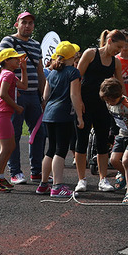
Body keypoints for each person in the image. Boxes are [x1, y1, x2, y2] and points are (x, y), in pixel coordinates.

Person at [73, 29, 126, 192]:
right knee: (81, 142)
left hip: (104, 107)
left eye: (122, 48)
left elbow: (120, 86)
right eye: (118, 47)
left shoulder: (115, 62)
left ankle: (103, 179)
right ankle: (81, 179)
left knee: (102, 143)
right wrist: (78, 101)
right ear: (109, 41)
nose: (119, 51)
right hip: (85, 104)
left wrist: (123, 103)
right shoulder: (90, 54)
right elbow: (76, 78)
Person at [0, 11, 46, 186]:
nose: (27, 26)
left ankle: (37, 171)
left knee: (39, 132)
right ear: (16, 24)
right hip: (15, 94)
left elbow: (40, 72)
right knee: (14, 134)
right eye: (24, 22)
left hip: (33, 94)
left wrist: (44, 95)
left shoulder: (35, 44)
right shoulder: (8, 41)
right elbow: (1, 66)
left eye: (30, 23)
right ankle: (15, 172)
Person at [37, 41, 84, 198]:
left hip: (49, 114)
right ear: (73, 57)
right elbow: (74, 95)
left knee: (51, 149)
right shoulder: (73, 73)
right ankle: (57, 186)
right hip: (63, 115)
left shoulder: (52, 73)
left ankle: (43, 184)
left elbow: (45, 96)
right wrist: (79, 116)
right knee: (61, 150)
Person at [0, 48, 28, 192]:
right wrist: (17, 107)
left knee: (10, 147)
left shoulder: (10, 74)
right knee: (6, 149)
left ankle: (1, 177)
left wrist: (24, 69)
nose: (18, 60)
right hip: (1, 115)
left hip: (3, 115)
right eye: (15, 58)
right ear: (6, 61)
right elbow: (3, 94)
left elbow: (24, 86)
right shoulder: (8, 74)